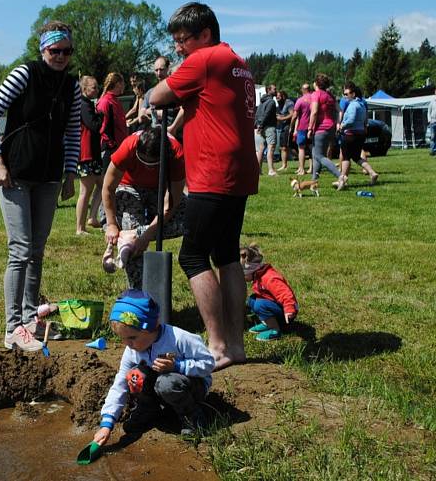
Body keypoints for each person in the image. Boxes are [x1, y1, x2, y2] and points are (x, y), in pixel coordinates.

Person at [149, 2, 259, 371]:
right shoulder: (238, 62)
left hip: (213, 169)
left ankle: (217, 346)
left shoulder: (205, 60)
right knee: (226, 254)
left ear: (205, 34)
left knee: (192, 256)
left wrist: (171, 78)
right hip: (239, 169)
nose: (178, 48)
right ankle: (236, 345)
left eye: (183, 40)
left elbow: (156, 96)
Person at [0, 20, 81, 351]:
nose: (61, 56)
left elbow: (71, 133)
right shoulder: (25, 74)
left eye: (67, 51)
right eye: (55, 50)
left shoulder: (72, 87)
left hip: (49, 176)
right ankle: (12, 326)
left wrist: (69, 174)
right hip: (15, 172)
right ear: (43, 50)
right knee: (20, 248)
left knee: (37, 249)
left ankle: (28, 318)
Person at [93, 290, 214, 443]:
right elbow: (120, 384)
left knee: (166, 383)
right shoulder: (131, 350)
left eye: (132, 338)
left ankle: (192, 417)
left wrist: (178, 366)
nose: (127, 344)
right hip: (161, 388)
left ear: (152, 326)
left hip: (193, 388)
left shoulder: (179, 338)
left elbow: (209, 363)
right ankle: (149, 409)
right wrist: (107, 423)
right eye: (122, 339)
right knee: (134, 376)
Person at [102, 126, 187, 289]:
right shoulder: (128, 146)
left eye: (152, 164)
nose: (147, 167)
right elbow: (108, 187)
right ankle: (137, 291)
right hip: (129, 186)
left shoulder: (177, 155)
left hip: (160, 190)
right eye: (143, 161)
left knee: (192, 220)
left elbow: (171, 204)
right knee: (131, 229)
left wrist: (145, 235)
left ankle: (131, 235)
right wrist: (111, 224)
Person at [241, 244, 298, 342]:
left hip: (287, 312)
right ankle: (267, 323)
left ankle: (275, 330)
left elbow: (285, 293)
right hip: (276, 306)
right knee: (252, 300)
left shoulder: (269, 278)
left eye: (243, 274)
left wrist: (289, 309)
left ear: (251, 270)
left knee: (259, 305)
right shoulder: (258, 275)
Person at [335, 83, 378, 189]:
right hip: (360, 134)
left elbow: (351, 120)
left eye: (346, 94)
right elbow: (364, 120)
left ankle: (342, 180)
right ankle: (372, 173)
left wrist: (342, 126)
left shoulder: (353, 105)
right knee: (356, 157)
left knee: (345, 157)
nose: (344, 96)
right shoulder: (362, 105)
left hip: (350, 134)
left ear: (353, 94)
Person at [75, 75, 103, 235]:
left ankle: (92, 218)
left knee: (102, 184)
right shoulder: (84, 105)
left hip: (93, 153)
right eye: (94, 87)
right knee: (85, 192)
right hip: (86, 154)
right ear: (84, 89)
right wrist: (102, 115)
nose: (97, 90)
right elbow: (93, 125)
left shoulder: (88, 104)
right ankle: (80, 228)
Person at [307, 73, 341, 185]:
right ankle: (313, 180)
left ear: (316, 83)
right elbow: (339, 110)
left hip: (321, 128)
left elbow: (314, 112)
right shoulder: (330, 96)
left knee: (319, 156)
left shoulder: (316, 94)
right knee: (315, 153)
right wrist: (338, 123)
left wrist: (310, 128)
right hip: (330, 128)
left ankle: (340, 176)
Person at [97, 72, 129, 174]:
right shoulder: (106, 101)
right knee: (105, 183)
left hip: (119, 147)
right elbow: (102, 127)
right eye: (123, 83)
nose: (124, 86)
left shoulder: (115, 100)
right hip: (110, 149)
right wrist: (112, 145)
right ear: (118, 84)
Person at [254, 87, 277, 176]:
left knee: (260, 149)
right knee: (271, 149)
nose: (276, 90)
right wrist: (261, 125)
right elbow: (267, 114)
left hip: (260, 128)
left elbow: (257, 114)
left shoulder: (261, 102)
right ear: (268, 90)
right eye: (274, 89)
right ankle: (271, 170)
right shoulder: (271, 102)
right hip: (269, 127)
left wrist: (257, 125)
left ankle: (258, 171)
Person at [291, 83, 313, 175]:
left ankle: (302, 169)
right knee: (311, 148)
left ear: (302, 90)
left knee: (301, 148)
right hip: (312, 127)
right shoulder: (314, 98)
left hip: (302, 126)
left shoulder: (300, 100)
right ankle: (311, 169)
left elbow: (295, 115)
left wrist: (292, 125)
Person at [275, 90, 294, 172]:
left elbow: (292, 114)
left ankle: (284, 165)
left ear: (283, 96)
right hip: (282, 127)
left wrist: (282, 118)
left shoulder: (288, 102)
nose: (277, 97)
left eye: (278, 96)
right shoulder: (279, 104)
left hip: (288, 127)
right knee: (283, 147)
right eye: (276, 96)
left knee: (285, 147)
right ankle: (284, 165)